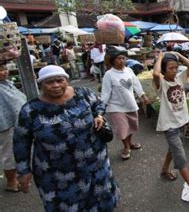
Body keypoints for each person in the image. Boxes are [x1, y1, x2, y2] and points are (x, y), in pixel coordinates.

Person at [13, 65, 119, 211]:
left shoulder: (83, 93)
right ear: (41, 84)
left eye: (59, 80)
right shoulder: (30, 110)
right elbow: (21, 141)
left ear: (66, 80)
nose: (55, 85)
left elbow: (98, 104)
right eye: (49, 82)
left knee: (101, 200)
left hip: (95, 164)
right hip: (57, 174)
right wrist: (23, 171)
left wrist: (99, 115)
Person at [153, 51, 189, 205]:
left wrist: (177, 54)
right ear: (164, 70)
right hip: (169, 125)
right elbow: (156, 73)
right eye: (170, 68)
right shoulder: (161, 83)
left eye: (175, 67)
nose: (174, 70)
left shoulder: (180, 78)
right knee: (180, 156)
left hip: (181, 121)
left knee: (173, 149)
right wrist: (160, 58)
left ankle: (165, 169)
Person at [101, 47, 149, 160]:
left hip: (130, 104)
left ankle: (130, 143)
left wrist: (143, 96)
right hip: (115, 106)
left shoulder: (129, 70)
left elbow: (136, 84)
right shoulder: (109, 74)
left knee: (131, 126)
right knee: (122, 128)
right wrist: (101, 108)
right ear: (113, 60)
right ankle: (126, 146)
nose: (122, 60)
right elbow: (105, 92)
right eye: (119, 58)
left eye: (123, 58)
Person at [0, 63, 26, 192]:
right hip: (5, 123)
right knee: (9, 153)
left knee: (18, 150)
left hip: (16, 122)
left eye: (5, 69)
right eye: (1, 70)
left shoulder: (7, 83)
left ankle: (19, 177)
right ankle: (11, 181)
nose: (5, 72)